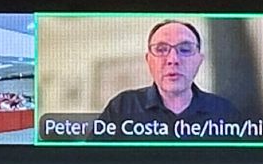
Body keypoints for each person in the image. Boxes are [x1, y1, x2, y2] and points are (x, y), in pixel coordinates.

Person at [97, 20, 245, 128]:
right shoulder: (122, 107)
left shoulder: (225, 111)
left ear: (199, 60)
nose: (173, 60)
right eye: (161, 50)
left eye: (185, 50)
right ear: (149, 60)